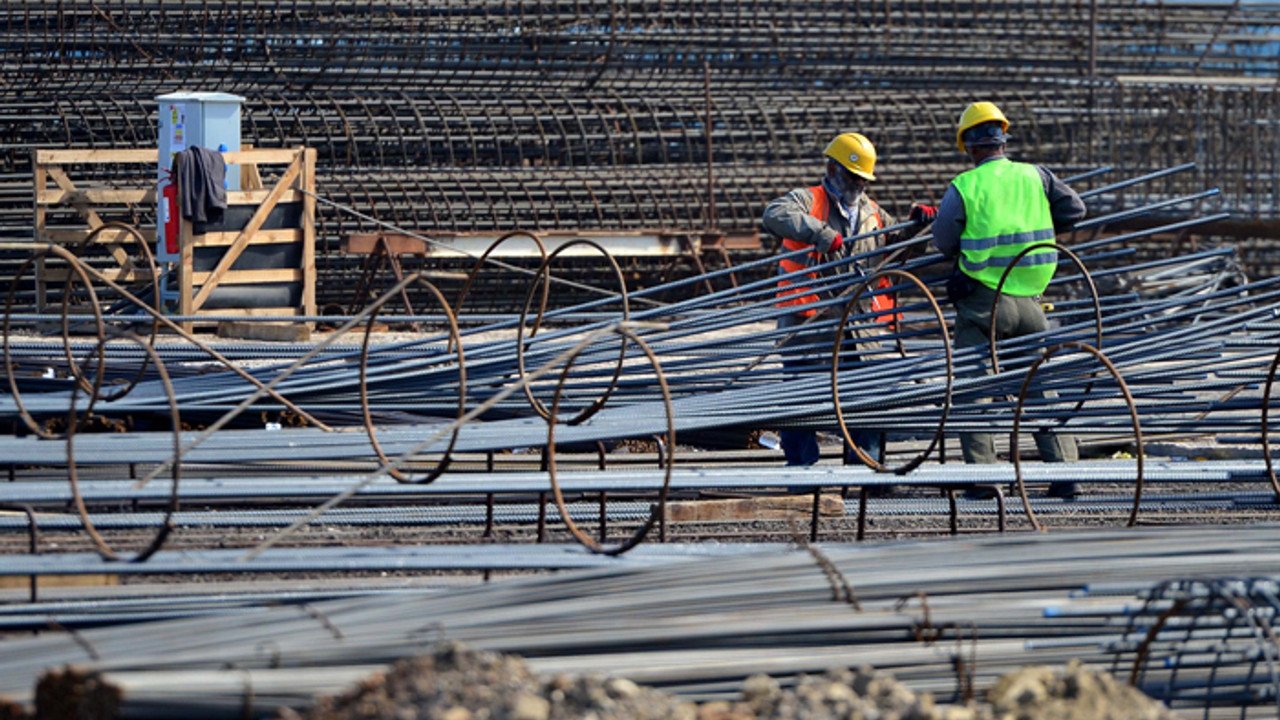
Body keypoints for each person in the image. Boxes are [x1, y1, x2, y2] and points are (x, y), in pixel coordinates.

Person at [930, 102, 1086, 498]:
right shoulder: (1037, 176)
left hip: (985, 303)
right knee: (1039, 387)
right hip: (1032, 301)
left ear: (968, 145)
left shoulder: (965, 186)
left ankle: (983, 481)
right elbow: (1075, 209)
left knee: (973, 389)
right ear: (1003, 138)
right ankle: (1065, 473)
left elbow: (944, 241)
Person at [762, 132, 936, 468]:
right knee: (802, 403)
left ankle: (864, 472)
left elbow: (898, 252)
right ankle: (801, 474)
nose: (857, 184)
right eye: (851, 176)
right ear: (832, 168)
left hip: (860, 330)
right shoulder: (807, 200)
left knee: (865, 403)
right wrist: (819, 233)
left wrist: (917, 229)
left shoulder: (872, 212)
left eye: (861, 178)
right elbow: (774, 214)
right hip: (809, 326)